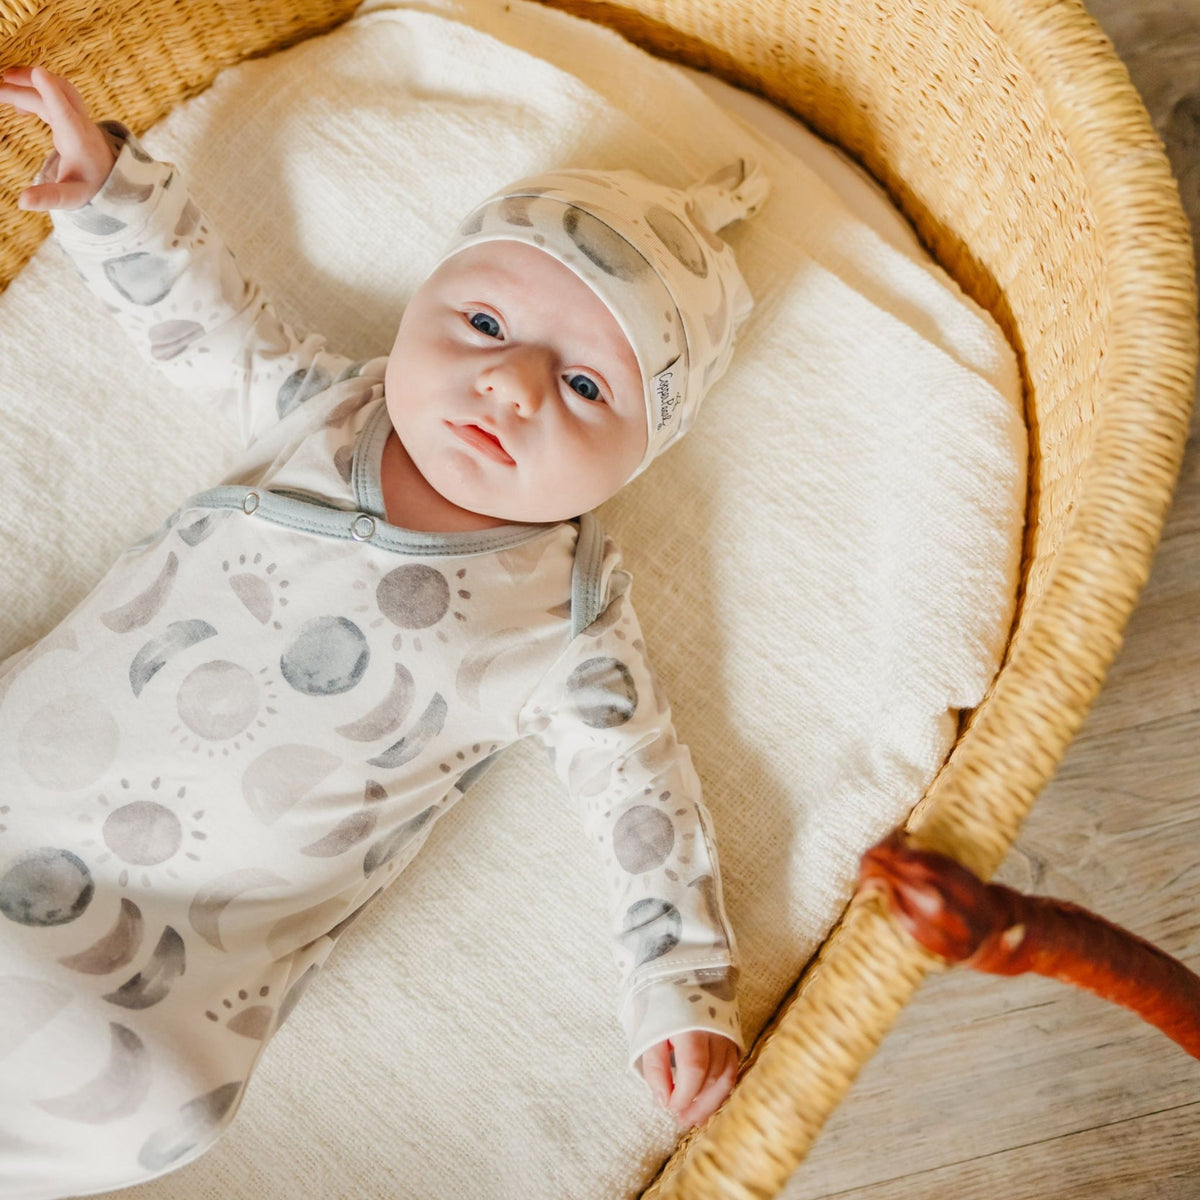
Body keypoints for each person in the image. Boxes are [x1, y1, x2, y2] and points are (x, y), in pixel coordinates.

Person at [0, 65, 768, 1197]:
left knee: (156, 1102)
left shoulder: (567, 620)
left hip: (154, 960)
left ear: (642, 455)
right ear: (419, 312)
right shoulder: (327, 412)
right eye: (487, 322)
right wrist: (115, 190)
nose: (511, 384)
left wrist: (683, 978)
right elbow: (206, 319)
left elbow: (644, 802)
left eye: (589, 387)